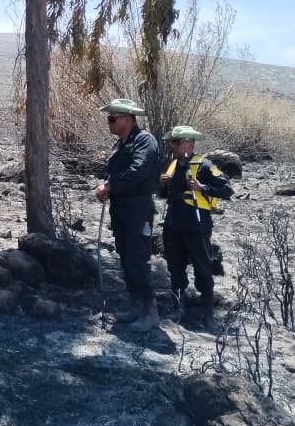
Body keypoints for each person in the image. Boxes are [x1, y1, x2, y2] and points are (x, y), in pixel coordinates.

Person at [94, 98, 160, 330]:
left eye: (112, 118)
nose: (109, 122)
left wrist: (110, 186)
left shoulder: (144, 140)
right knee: (125, 256)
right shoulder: (121, 145)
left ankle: (150, 312)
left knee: (137, 258)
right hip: (121, 209)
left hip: (138, 209)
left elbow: (138, 170)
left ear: (127, 119)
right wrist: (108, 188)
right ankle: (135, 306)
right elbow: (117, 173)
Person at [159, 125, 233, 328]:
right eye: (171, 142)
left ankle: (208, 314)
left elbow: (227, 189)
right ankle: (179, 307)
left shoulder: (205, 166)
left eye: (176, 142)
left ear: (189, 144)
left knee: (202, 268)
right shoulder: (173, 165)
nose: (172, 146)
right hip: (173, 224)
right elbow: (165, 195)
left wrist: (202, 188)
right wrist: (163, 183)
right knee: (175, 267)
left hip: (196, 225)